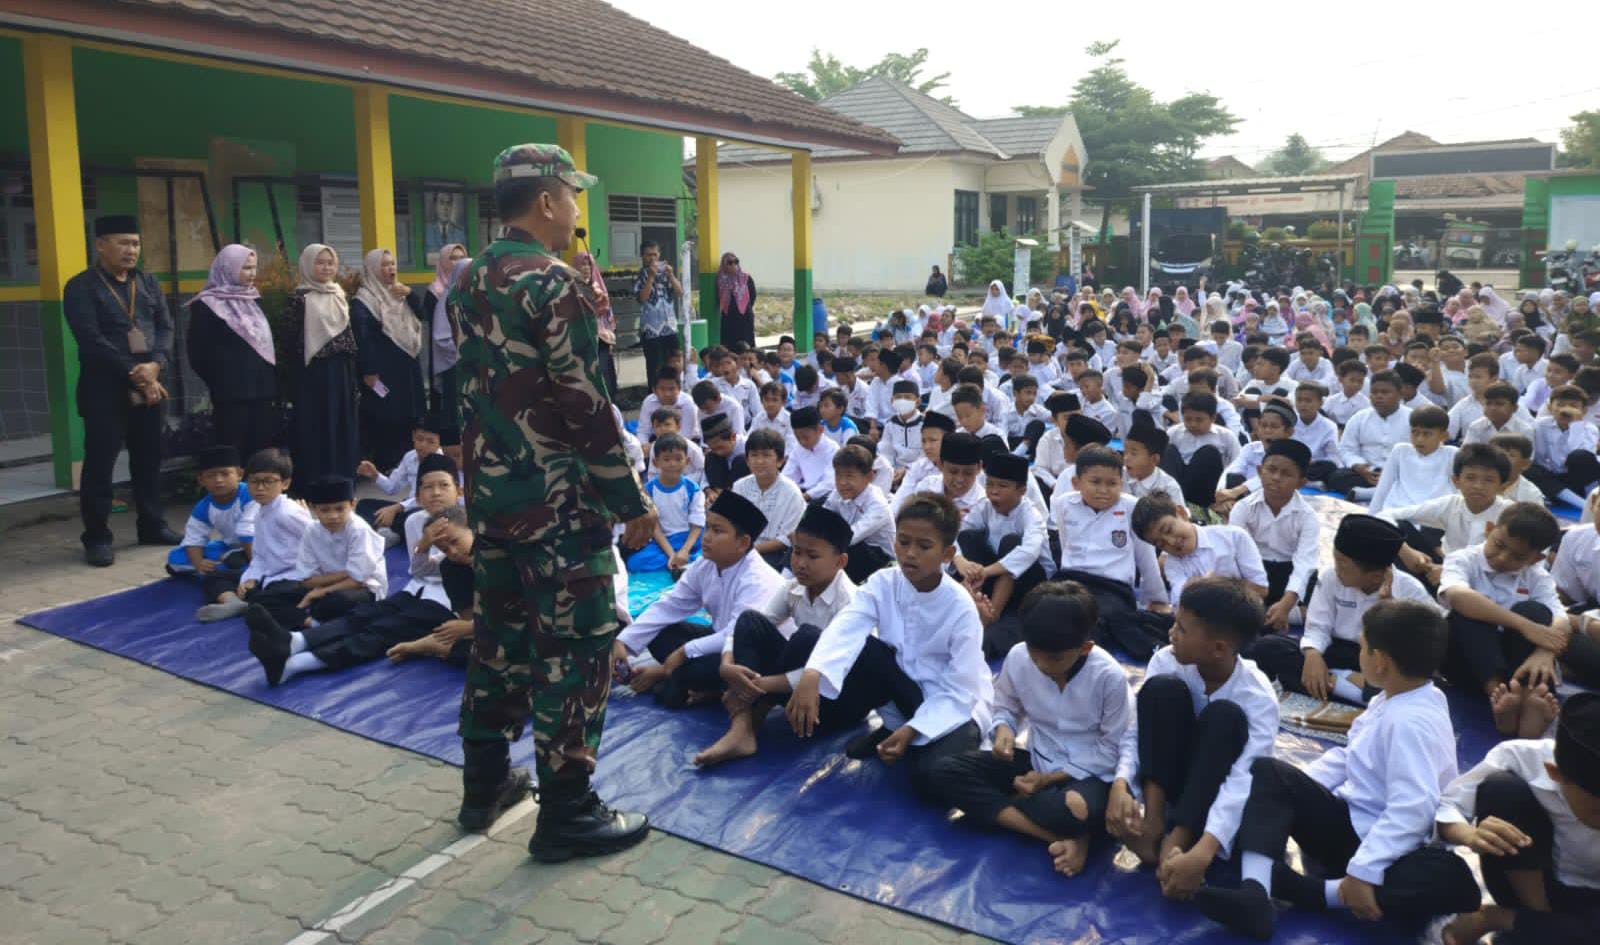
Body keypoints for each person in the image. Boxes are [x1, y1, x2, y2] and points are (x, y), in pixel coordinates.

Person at [451, 144, 658, 859]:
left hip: (493, 497)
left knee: (498, 639)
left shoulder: (467, 279)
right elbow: (584, 403)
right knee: (577, 648)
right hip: (559, 504)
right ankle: (567, 812)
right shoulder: (554, 282)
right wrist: (630, 500)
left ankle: (483, 785)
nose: (577, 208)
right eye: (572, 195)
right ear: (545, 203)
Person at [1195, 600, 1479, 941]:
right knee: (1267, 775)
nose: (1358, 655)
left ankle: (1319, 893)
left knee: (1454, 881)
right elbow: (1348, 757)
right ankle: (1254, 893)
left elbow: (1413, 809)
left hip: (1384, 848)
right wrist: (1289, 793)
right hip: (1351, 824)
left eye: (1361, 647)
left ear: (1379, 661)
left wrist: (1364, 872)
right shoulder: (1393, 699)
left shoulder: (1409, 723)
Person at [789, 492, 994, 802]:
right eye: (903, 542)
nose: (910, 553)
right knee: (866, 650)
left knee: (929, 777)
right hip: (903, 689)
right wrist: (812, 674)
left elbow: (962, 690)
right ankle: (893, 725)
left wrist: (915, 730)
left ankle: (910, 734)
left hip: (951, 703)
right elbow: (848, 624)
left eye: (924, 546)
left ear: (947, 553)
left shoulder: (961, 607)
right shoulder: (883, 582)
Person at [931, 582, 1133, 877]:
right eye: (1034, 655)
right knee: (944, 771)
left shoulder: (1109, 677)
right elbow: (1005, 706)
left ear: (1084, 648)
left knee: (1071, 809)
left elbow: (1111, 748)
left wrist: (1049, 780)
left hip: (1087, 773)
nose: (1040, 665)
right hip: (1037, 762)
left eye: (1054, 659)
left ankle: (1037, 817)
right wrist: (1004, 732)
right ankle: (1062, 838)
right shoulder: (1018, 656)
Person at [1106, 577, 1277, 904]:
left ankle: (1178, 838)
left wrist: (1202, 851)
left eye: (1182, 629)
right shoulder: (1166, 660)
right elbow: (1140, 730)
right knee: (1160, 691)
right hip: (1170, 781)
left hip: (1212, 794)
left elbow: (1243, 779)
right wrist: (1121, 783)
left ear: (1219, 649)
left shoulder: (1257, 695)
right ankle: (1154, 823)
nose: (1172, 633)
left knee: (1225, 717)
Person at [246, 453, 462, 687]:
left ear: (459, 491)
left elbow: (460, 569)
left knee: (383, 631)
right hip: (415, 589)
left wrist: (429, 546)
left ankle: (296, 664)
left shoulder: (470, 523)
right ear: (418, 496)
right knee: (362, 617)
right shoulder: (414, 521)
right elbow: (419, 572)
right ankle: (294, 642)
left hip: (448, 602)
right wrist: (424, 547)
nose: (436, 493)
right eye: (428, 487)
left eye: (444, 486)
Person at [693, 505, 858, 767]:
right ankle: (743, 728)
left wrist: (753, 686)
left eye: (812, 556)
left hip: (831, 697)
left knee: (807, 637)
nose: (801, 563)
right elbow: (749, 625)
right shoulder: (794, 587)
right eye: (797, 552)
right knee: (749, 620)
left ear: (840, 562)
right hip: (789, 683)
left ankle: (748, 706)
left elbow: (836, 671)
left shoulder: (850, 603)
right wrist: (726, 663)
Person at [1436, 693, 1600, 944]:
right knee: (1501, 789)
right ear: (1555, 773)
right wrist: (1470, 835)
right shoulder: (1520, 757)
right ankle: (1536, 920)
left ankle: (1503, 920)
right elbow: (1449, 805)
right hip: (1533, 882)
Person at [63, 214, 178, 566]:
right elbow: (90, 339)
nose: (131, 250)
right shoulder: (81, 287)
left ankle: (151, 524)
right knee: (100, 464)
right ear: (100, 245)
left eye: (135, 243)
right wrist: (134, 371)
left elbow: (165, 327)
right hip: (105, 388)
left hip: (150, 384)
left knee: (149, 458)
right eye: (123, 243)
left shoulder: (147, 282)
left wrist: (156, 364)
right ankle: (97, 537)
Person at [1439, 503, 1598, 738]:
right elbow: (1457, 596)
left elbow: (1561, 618)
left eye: (1517, 556)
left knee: (1535, 610)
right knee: (1471, 611)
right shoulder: (1464, 560)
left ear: (1535, 558)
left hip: (1519, 666)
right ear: (1490, 529)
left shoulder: (1537, 577)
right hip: (1471, 662)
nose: (1502, 558)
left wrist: (1545, 652)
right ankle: (1498, 695)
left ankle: (1529, 700)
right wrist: (1525, 626)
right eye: (1499, 545)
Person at [613, 490, 784, 706]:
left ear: (743, 543)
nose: (707, 536)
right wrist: (624, 641)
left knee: (707, 668)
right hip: (718, 640)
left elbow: (735, 635)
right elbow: (669, 606)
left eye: (717, 530)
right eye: (708, 527)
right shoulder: (705, 565)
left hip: (749, 654)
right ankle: (685, 683)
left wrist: (682, 653)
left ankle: (676, 680)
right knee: (661, 634)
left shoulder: (758, 580)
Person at [1251, 515, 1436, 704]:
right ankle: (1349, 687)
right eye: (1335, 560)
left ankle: (1335, 684)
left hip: (1380, 658)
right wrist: (1313, 654)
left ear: (1374, 576)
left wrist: (1388, 609)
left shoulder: (1410, 591)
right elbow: (1318, 626)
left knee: (1404, 685)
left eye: (1343, 565)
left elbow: (1422, 650)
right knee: (1268, 648)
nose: (1336, 569)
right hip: (1336, 650)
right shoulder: (1331, 577)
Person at [1050, 445, 1171, 661]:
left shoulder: (1131, 507)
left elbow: (1145, 556)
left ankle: (1089, 662)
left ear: (1121, 483)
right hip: (1072, 580)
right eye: (1095, 482)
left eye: (1112, 483)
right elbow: (1065, 543)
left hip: (1113, 587)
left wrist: (1156, 598)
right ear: (1077, 483)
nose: (1104, 490)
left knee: (1099, 620)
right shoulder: (1064, 504)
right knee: (1051, 612)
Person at [241, 475, 387, 640]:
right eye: (325, 510)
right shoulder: (312, 530)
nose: (333, 516)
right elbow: (306, 579)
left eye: (340, 509)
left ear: (352, 505)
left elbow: (358, 580)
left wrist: (320, 591)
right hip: (326, 583)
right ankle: (310, 622)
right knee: (262, 599)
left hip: (363, 588)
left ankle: (307, 620)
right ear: (313, 508)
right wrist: (343, 575)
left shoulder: (358, 530)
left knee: (330, 604)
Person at [197, 448, 311, 623]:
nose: (260, 488)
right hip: (269, 573)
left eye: (268, 482)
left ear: (285, 484)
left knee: (268, 600)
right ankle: (234, 602)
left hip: (293, 576)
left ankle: (311, 622)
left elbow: (317, 541)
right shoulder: (260, 512)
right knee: (214, 576)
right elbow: (259, 555)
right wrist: (250, 578)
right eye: (254, 481)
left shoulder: (289, 512)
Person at [186, 244, 278, 461]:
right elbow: (197, 352)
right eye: (245, 268)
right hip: (230, 393)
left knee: (261, 451)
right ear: (228, 268)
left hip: (262, 390)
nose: (251, 274)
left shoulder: (254, 300)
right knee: (231, 449)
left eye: (253, 268)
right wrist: (220, 380)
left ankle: (260, 493)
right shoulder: (207, 305)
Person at [953, 450, 1047, 658]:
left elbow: (1028, 552)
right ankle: (976, 599)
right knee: (968, 537)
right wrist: (962, 562)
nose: (993, 492)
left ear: (1021, 490)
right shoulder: (984, 507)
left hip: (1028, 582)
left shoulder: (1030, 514)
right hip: (992, 576)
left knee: (1012, 542)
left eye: (1002, 486)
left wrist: (985, 571)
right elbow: (954, 535)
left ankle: (991, 615)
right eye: (990, 484)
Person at [288, 244, 359, 488]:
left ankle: (343, 474)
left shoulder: (338, 293)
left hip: (341, 369)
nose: (326, 267)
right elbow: (291, 340)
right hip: (314, 373)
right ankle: (318, 478)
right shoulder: (299, 298)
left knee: (341, 421)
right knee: (318, 422)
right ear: (308, 265)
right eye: (320, 262)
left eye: (330, 262)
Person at [352, 248, 427, 471]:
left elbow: (422, 315)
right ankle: (388, 464)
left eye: (392, 263)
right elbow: (363, 337)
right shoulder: (364, 300)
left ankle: (410, 460)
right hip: (382, 370)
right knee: (387, 415)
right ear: (373, 270)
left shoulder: (399, 293)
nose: (390, 269)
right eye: (384, 265)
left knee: (409, 414)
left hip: (407, 365)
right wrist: (369, 370)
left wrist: (411, 294)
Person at [166, 445, 256, 606]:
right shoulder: (204, 506)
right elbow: (194, 538)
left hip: (257, 548)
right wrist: (199, 563)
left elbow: (247, 533)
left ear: (239, 474)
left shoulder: (250, 495)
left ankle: (232, 571)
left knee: (233, 561)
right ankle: (226, 569)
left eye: (225, 473)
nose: (219, 480)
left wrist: (255, 567)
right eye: (211, 476)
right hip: (231, 547)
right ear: (201, 480)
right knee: (176, 557)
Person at [626, 433, 704, 574]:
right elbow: (654, 527)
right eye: (666, 459)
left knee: (708, 553)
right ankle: (682, 563)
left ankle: (687, 561)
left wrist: (684, 551)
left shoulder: (692, 489)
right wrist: (672, 555)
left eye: (678, 459)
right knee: (634, 563)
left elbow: (697, 523)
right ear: (656, 463)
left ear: (687, 461)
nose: (672, 464)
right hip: (664, 542)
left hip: (690, 539)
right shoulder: (648, 490)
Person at [733, 428, 806, 572]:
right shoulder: (740, 486)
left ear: (780, 461)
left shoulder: (792, 493)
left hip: (773, 554)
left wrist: (750, 550)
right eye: (754, 455)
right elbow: (733, 524)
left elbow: (786, 538)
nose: (760, 461)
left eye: (766, 455)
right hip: (740, 548)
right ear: (747, 460)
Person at [822, 444, 894, 584]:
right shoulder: (838, 494)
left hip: (879, 559)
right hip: (850, 547)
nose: (842, 483)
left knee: (842, 553)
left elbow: (852, 537)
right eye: (838, 475)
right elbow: (823, 518)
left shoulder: (878, 504)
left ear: (869, 477)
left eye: (849, 476)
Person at [572, 251, 619, 397]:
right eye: (582, 265)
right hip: (582, 339)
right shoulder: (571, 287)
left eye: (589, 265)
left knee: (605, 373)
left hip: (602, 338)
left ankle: (611, 406)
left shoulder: (598, 286)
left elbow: (605, 313)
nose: (586, 268)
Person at [635, 240, 682, 384]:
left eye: (655, 255)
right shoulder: (641, 275)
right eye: (649, 255)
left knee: (675, 362)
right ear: (642, 256)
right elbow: (642, 298)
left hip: (669, 327)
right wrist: (650, 277)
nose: (653, 259)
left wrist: (672, 275)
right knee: (654, 365)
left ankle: (675, 390)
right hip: (651, 329)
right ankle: (655, 394)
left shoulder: (666, 273)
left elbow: (679, 292)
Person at [714, 252, 756, 348]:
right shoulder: (720, 280)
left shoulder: (745, 277)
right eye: (730, 263)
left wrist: (744, 308)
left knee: (747, 343)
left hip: (745, 316)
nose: (734, 265)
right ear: (724, 265)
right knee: (729, 344)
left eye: (736, 262)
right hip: (729, 317)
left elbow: (752, 295)